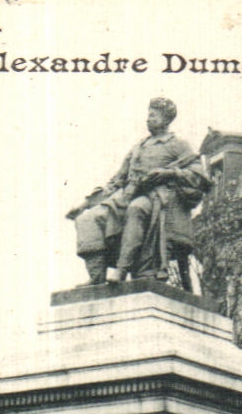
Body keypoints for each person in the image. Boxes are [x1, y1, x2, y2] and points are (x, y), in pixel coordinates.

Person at [69, 97, 210, 286]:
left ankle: (122, 269)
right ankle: (96, 277)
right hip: (126, 195)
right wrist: (84, 205)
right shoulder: (138, 147)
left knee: (136, 209)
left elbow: (198, 174)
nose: (148, 119)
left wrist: (168, 172)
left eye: (153, 115)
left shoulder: (178, 144)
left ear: (166, 119)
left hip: (160, 199)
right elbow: (117, 180)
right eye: (148, 115)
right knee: (87, 219)